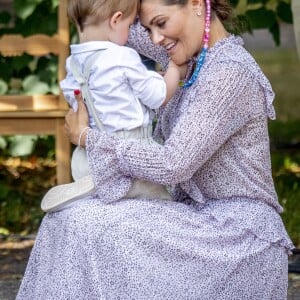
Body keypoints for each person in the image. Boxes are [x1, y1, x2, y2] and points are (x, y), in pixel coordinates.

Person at [17, 0, 294, 299]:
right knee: (66, 216)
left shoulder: (230, 73)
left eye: (160, 24)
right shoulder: (185, 50)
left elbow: (173, 165)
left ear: (197, 4)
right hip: (193, 221)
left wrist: (88, 138)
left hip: (236, 239)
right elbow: (109, 17)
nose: (154, 39)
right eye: (148, 28)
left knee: (89, 222)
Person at [40, 0, 185, 212]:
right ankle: (121, 189)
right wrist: (174, 69)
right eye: (128, 26)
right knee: (165, 207)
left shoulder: (72, 63)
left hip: (86, 157)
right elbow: (158, 96)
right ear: (116, 20)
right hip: (128, 157)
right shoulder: (122, 56)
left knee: (102, 210)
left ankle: (95, 186)